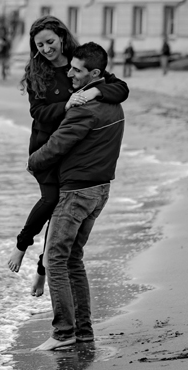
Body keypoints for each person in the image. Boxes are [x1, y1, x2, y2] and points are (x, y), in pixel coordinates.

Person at [6, 15, 128, 297]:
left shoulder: (79, 62)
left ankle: (41, 269)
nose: (47, 49)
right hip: (45, 145)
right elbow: (37, 112)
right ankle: (21, 245)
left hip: (72, 149)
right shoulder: (36, 71)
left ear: (62, 37)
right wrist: (67, 104)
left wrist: (96, 90)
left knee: (59, 214)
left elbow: (120, 87)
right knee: (50, 201)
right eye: (40, 45)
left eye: (50, 42)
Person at [27, 41, 126, 350]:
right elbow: (117, 87)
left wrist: (32, 163)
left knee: (56, 260)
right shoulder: (112, 102)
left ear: (94, 73)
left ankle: (64, 333)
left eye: (76, 69)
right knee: (72, 260)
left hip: (77, 192)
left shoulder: (86, 109)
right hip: (99, 190)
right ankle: (82, 331)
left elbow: (56, 146)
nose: (69, 73)